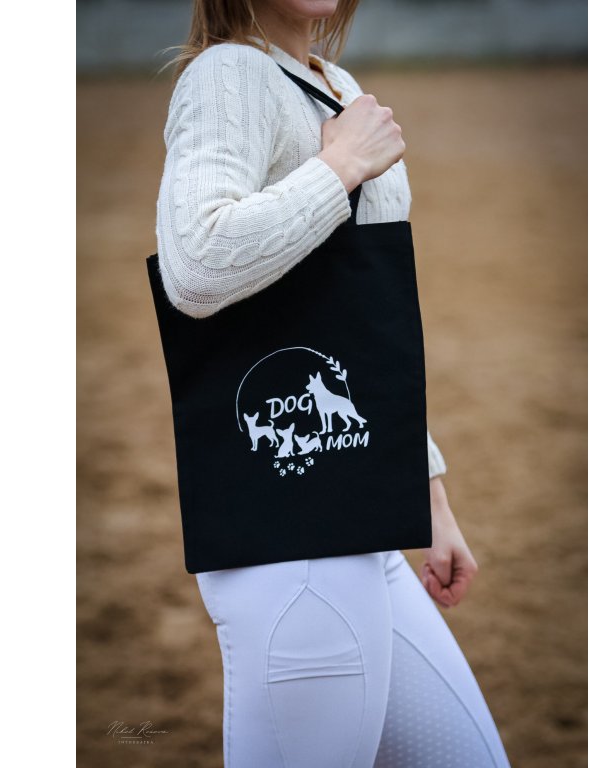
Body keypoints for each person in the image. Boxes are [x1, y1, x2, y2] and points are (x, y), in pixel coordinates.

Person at [155, 2, 511, 765]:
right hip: (289, 538)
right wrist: (338, 167)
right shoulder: (228, 75)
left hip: (361, 516)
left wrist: (426, 495)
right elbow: (195, 264)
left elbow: (355, 330)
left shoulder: (334, 83)